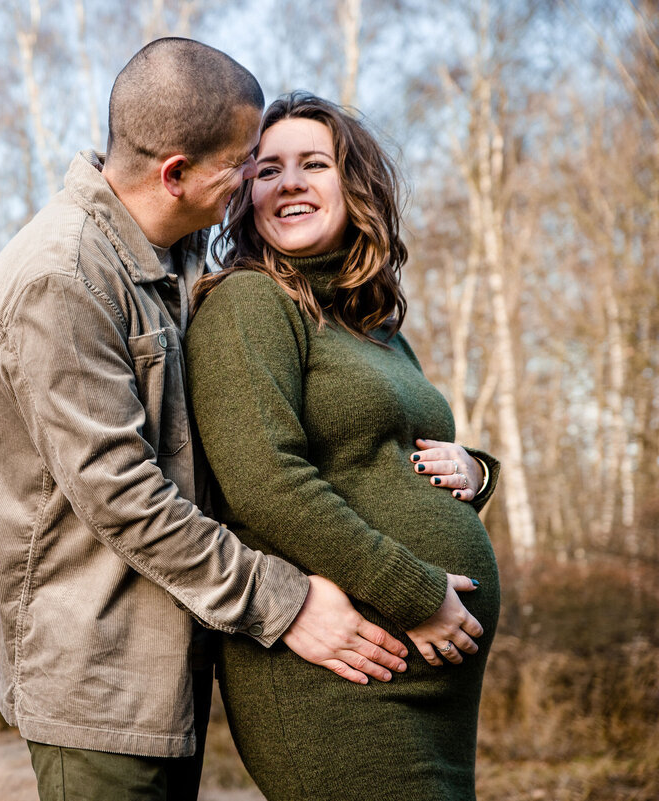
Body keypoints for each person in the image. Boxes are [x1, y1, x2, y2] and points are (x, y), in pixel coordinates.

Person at [0, 40, 456, 801]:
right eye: (246, 166)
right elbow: (125, 498)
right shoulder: (61, 279)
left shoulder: (169, 252)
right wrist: (287, 601)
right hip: (104, 678)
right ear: (176, 174)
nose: (250, 191)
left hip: (177, 663)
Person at [185, 91, 502, 800]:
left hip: (430, 686)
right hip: (340, 674)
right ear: (245, 197)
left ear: (353, 186)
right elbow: (265, 481)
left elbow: (396, 456)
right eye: (267, 170)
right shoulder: (250, 302)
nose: (290, 181)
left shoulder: (375, 326)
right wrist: (414, 590)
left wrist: (476, 471)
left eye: (314, 163)